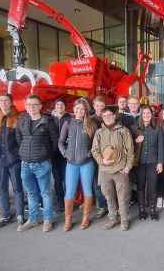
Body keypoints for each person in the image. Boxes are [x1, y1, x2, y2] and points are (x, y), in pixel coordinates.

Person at [15, 94, 58, 233]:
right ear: (26, 106)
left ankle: (47, 220)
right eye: (29, 105)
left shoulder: (47, 121)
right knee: (31, 193)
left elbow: (55, 141)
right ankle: (33, 220)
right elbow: (19, 138)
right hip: (25, 163)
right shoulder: (22, 120)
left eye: (34, 105)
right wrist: (24, 153)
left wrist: (46, 154)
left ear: (40, 106)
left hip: (42, 163)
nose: (31, 107)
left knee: (45, 193)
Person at [91, 106, 135, 231]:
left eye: (109, 115)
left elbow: (130, 151)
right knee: (108, 196)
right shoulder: (99, 132)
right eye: (104, 116)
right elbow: (94, 150)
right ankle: (113, 219)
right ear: (102, 118)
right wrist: (101, 161)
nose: (107, 118)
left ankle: (124, 220)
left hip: (120, 170)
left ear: (114, 116)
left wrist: (128, 167)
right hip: (104, 170)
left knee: (123, 197)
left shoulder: (123, 131)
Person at [58, 98, 98, 231]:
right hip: (71, 163)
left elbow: (96, 143)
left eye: (82, 109)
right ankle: (68, 219)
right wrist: (65, 153)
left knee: (87, 190)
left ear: (86, 110)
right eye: (77, 108)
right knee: (69, 191)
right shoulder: (68, 122)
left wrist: (89, 154)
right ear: (73, 109)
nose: (79, 111)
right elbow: (61, 142)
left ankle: (86, 218)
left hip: (86, 163)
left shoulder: (91, 123)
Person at [0, 94, 25, 230]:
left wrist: (19, 154)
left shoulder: (18, 117)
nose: (3, 103)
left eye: (6, 100)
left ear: (11, 102)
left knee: (17, 188)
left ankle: (20, 215)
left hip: (14, 159)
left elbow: (22, 139)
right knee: (2, 188)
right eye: (1, 101)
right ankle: (5, 216)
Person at [134, 105, 164, 221]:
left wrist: (160, 162)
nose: (146, 115)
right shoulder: (135, 128)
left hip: (153, 162)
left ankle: (152, 209)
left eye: (148, 113)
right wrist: (136, 141)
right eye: (144, 113)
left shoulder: (157, 128)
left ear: (151, 115)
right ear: (141, 115)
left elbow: (160, 147)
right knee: (140, 187)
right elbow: (128, 144)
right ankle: (142, 210)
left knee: (153, 186)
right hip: (139, 163)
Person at [51, 99, 72, 213]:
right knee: (57, 179)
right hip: (54, 154)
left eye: (62, 104)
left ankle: (68, 202)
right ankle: (60, 203)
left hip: (66, 153)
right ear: (55, 106)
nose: (59, 106)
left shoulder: (69, 118)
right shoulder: (51, 118)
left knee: (66, 179)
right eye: (57, 104)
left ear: (65, 106)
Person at [90, 96, 109, 218]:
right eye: (97, 106)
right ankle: (102, 206)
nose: (100, 109)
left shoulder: (108, 118)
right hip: (96, 155)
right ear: (93, 106)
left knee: (109, 181)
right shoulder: (90, 120)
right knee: (97, 182)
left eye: (102, 106)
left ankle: (111, 205)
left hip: (108, 154)